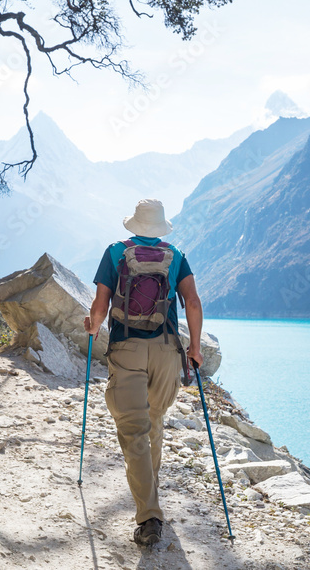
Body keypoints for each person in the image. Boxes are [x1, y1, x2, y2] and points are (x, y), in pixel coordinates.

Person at [84, 198, 204, 546]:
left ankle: (149, 515)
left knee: (135, 430)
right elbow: (193, 302)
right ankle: (150, 501)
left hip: (127, 350)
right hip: (167, 352)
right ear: (162, 227)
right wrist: (194, 349)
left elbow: (100, 305)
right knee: (153, 421)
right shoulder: (176, 255)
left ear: (134, 224)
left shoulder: (115, 253)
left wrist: (92, 329)